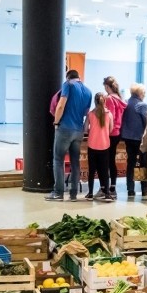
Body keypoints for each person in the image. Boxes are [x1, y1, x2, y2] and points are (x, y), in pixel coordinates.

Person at [47, 69, 91, 201]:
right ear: (79, 77)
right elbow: (85, 113)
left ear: (68, 77)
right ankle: (73, 194)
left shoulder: (68, 85)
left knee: (58, 160)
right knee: (75, 162)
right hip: (78, 130)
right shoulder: (88, 91)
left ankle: (58, 193)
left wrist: (56, 121)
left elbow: (61, 105)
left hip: (65, 128)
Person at [120, 83, 147, 198]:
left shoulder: (126, 102)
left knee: (130, 163)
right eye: (144, 93)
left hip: (127, 137)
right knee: (142, 163)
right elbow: (146, 122)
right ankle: (143, 188)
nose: (144, 95)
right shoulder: (141, 105)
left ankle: (130, 189)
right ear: (140, 93)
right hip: (139, 137)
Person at [85, 92, 114, 201]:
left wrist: (91, 130)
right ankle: (107, 193)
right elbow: (111, 129)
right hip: (105, 145)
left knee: (92, 170)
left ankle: (90, 193)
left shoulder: (90, 114)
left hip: (92, 145)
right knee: (105, 170)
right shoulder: (109, 114)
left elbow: (85, 128)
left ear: (95, 101)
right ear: (104, 101)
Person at [102, 76, 127, 198]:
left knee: (106, 161)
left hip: (110, 133)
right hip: (118, 133)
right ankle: (113, 186)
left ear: (107, 87)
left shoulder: (109, 99)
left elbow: (109, 117)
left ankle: (105, 188)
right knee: (112, 160)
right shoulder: (120, 99)